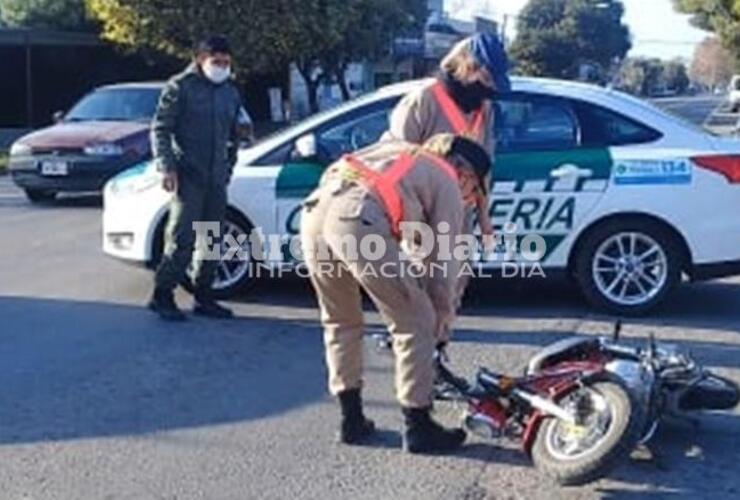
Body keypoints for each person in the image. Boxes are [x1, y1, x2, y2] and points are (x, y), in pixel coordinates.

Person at [300, 134, 491, 454]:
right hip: (358, 218)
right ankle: (419, 427)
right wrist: (440, 321)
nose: (469, 200)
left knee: (339, 320)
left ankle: (351, 420)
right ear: (466, 174)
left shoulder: (397, 150)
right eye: (474, 193)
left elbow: (418, 248)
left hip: (315, 212)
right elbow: (442, 264)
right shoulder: (445, 179)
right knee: (416, 321)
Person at [148, 35, 244, 321]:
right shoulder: (181, 87)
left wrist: (229, 167)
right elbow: (161, 129)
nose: (222, 67)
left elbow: (232, 134)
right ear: (200, 59)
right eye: (217, 62)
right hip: (188, 175)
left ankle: (204, 295)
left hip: (216, 176)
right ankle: (162, 295)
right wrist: (167, 167)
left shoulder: (229, 91)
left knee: (214, 237)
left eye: (226, 62)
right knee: (182, 238)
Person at [385, 32, 510, 239]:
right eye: (486, 79)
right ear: (466, 66)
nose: (489, 88)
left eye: (493, 84)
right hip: (423, 220)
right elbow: (395, 162)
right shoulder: (423, 101)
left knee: (458, 271)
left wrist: (484, 218)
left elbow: (483, 168)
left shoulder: (484, 108)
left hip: (462, 219)